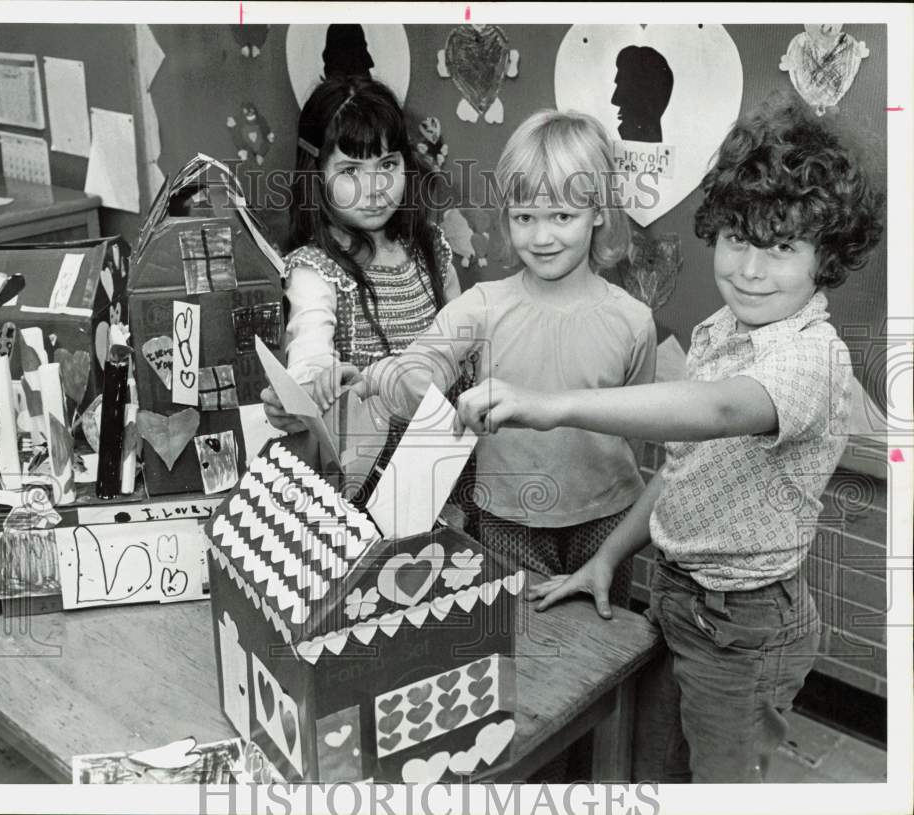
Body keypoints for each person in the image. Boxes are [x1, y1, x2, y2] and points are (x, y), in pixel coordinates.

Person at [454, 95, 884, 782]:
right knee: (647, 768)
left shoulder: (812, 356)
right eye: (738, 239)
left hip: (744, 625)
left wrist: (554, 404)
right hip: (677, 599)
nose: (750, 269)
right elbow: (685, 466)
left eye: (781, 247)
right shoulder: (722, 330)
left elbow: (715, 411)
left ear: (825, 254)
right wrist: (608, 558)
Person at [321, 109, 657, 607]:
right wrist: (394, 377)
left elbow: (637, 428)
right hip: (504, 520)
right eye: (524, 217)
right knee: (521, 647)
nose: (541, 238)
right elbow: (425, 362)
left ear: (600, 211)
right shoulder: (482, 306)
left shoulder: (633, 321)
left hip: (607, 522)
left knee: (602, 648)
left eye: (562, 216)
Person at [260, 75, 462, 441]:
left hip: (446, 456)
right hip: (364, 476)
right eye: (351, 170)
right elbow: (310, 350)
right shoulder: (315, 269)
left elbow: (465, 346)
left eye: (387, 165)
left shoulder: (431, 249)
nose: (375, 189)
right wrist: (305, 392)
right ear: (317, 173)